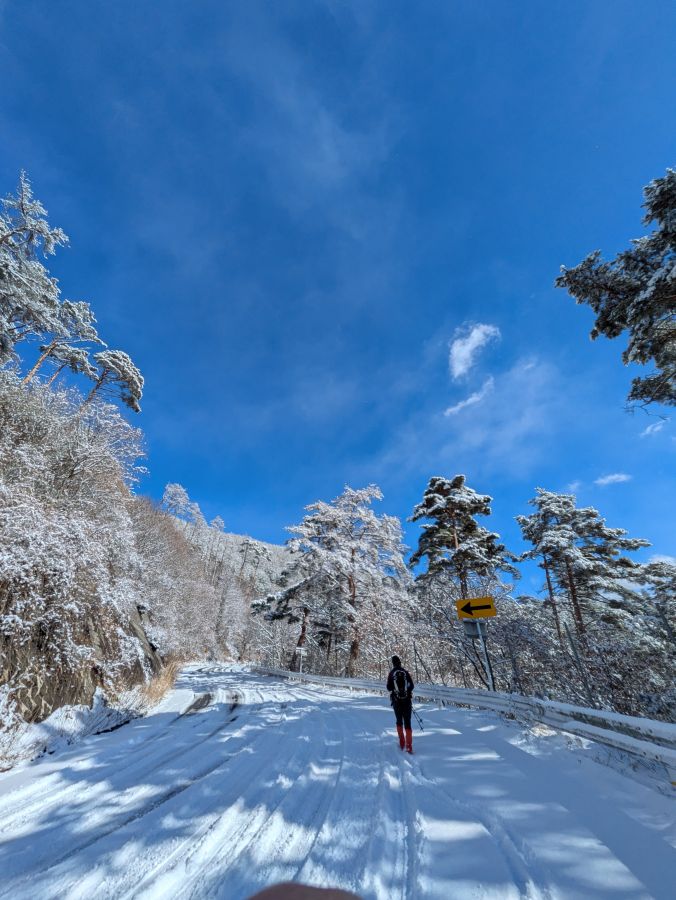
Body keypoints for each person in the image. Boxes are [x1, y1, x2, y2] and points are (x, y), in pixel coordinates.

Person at [386, 655, 414, 753]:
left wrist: (396, 689)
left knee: (399, 721)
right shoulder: (405, 672)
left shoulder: (392, 673)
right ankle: (409, 746)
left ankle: (402, 742)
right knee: (408, 722)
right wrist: (406, 691)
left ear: (393, 663)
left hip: (396, 701)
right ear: (400, 662)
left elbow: (388, 688)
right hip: (407, 701)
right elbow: (412, 686)